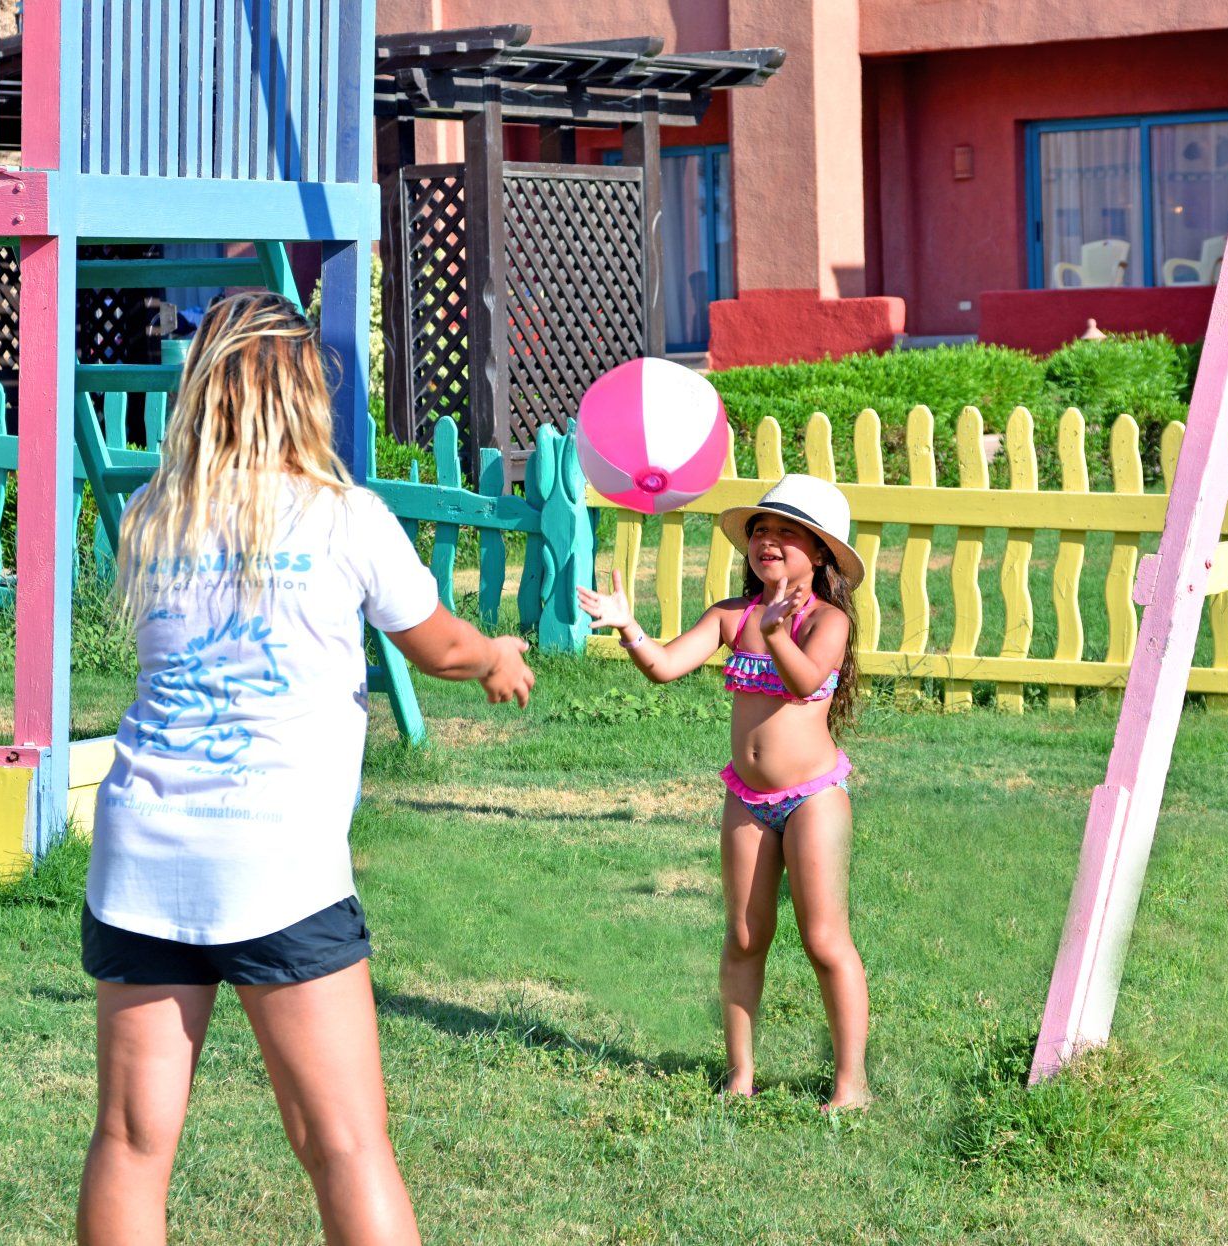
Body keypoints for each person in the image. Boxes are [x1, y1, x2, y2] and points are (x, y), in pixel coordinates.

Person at [77, 292, 535, 1246]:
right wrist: (496, 655)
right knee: (346, 1147)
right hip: (277, 864)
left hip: (141, 854)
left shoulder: (151, 515)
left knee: (130, 1141)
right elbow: (441, 646)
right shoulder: (344, 518)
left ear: (201, 388)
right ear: (302, 392)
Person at [578, 474, 871, 1111]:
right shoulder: (729, 615)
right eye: (761, 529)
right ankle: (740, 1074)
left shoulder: (828, 621)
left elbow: (803, 683)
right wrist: (628, 628)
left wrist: (775, 632)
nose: (768, 540)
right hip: (748, 798)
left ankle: (852, 1084)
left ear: (820, 552)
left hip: (814, 797)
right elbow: (663, 667)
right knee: (743, 936)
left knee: (824, 940)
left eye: (787, 532)